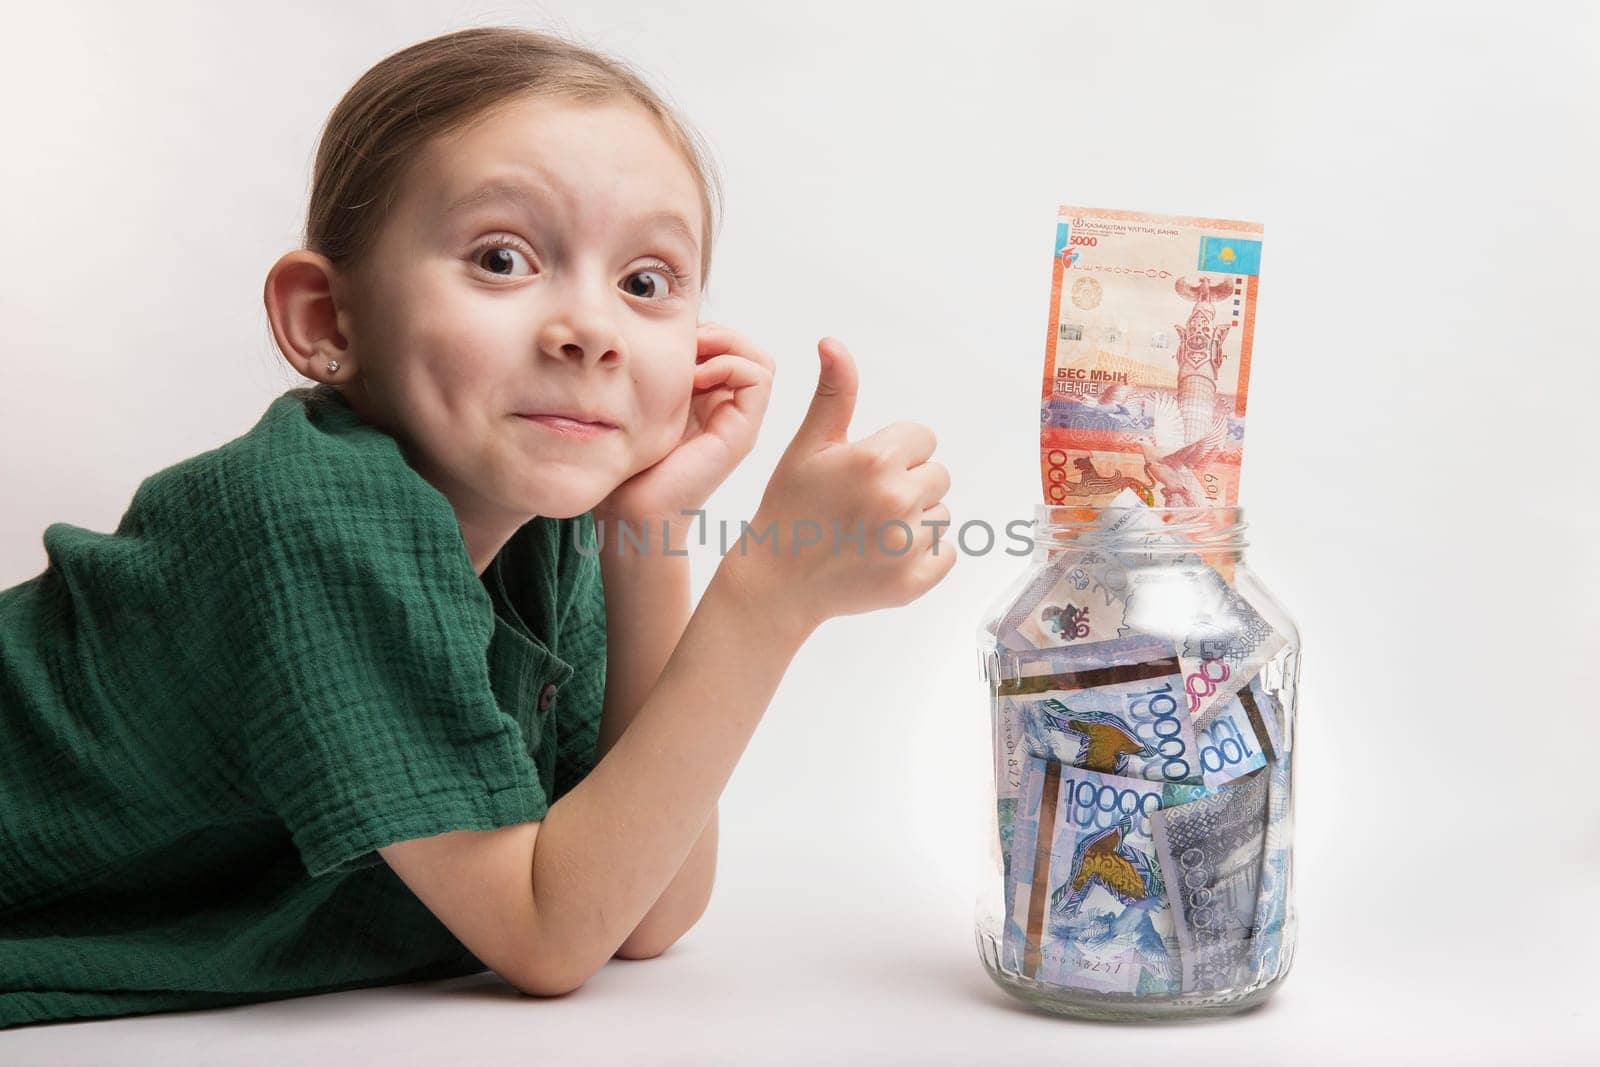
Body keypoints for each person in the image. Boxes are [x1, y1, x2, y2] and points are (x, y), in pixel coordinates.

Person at [0, 25, 954, 1028]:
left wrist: (649, 533)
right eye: (502, 258)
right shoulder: (311, 514)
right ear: (327, 319)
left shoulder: (540, 523)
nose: (588, 329)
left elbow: (646, 903)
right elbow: (549, 931)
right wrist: (766, 597)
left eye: (644, 282)